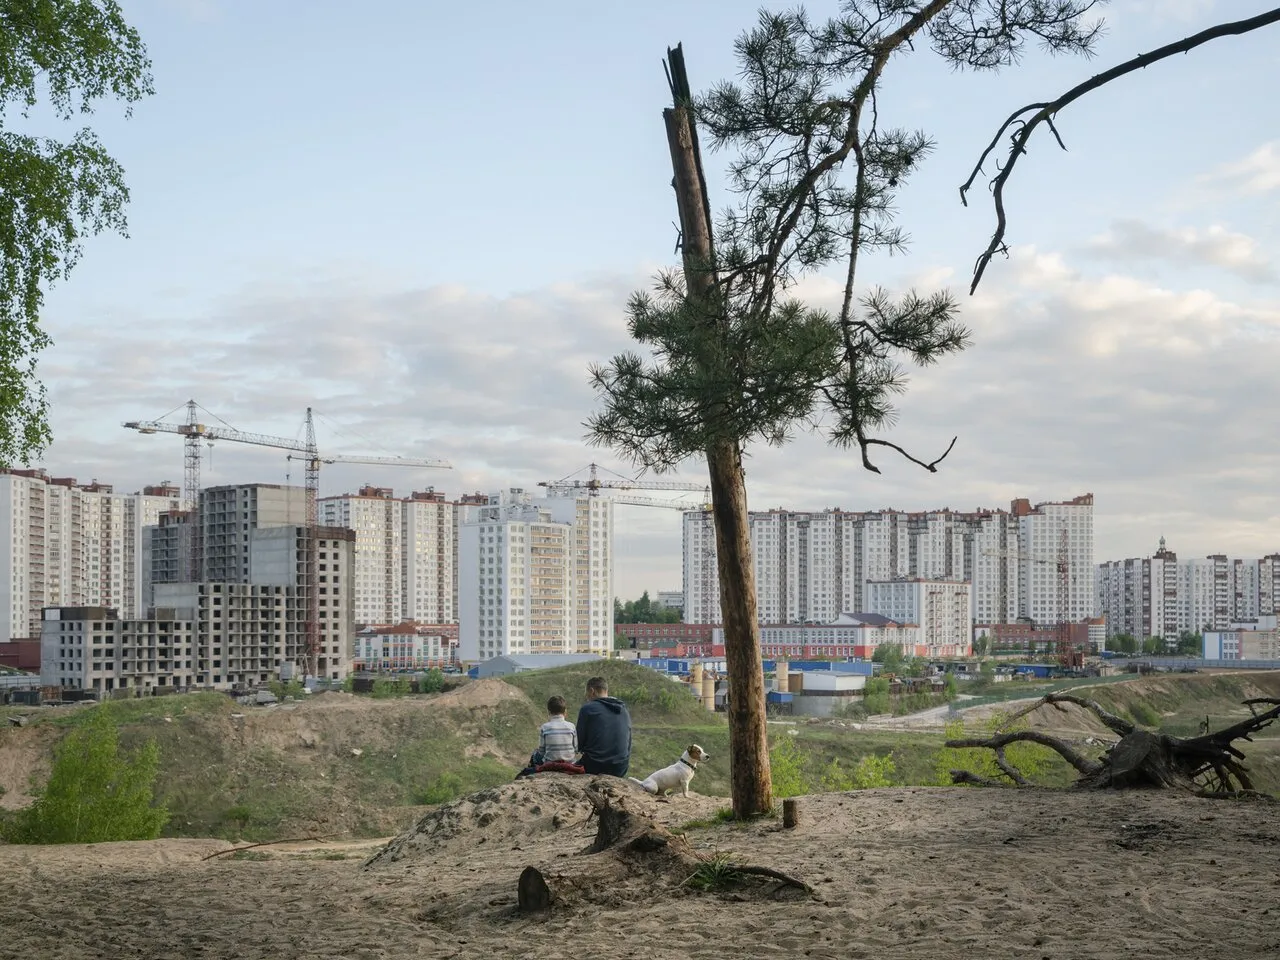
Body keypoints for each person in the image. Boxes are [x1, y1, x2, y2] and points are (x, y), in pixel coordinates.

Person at [575, 676, 632, 777]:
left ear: (592, 691)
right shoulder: (624, 710)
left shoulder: (588, 709)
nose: (587, 698)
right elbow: (628, 745)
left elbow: (579, 743)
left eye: (587, 694)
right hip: (620, 768)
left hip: (594, 766)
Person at [516, 695, 579, 779]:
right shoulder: (571, 726)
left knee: (535, 754)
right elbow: (576, 749)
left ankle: (530, 775)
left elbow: (542, 751)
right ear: (565, 712)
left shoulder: (545, 727)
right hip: (570, 763)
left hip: (550, 764)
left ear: (548, 712)